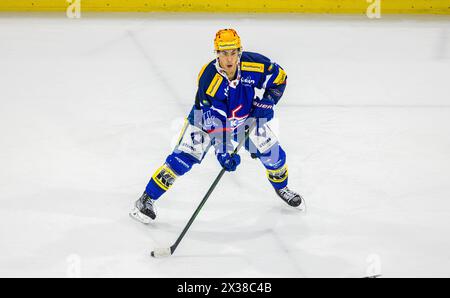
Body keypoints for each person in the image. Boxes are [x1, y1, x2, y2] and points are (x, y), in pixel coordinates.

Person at [130, 28, 304, 224]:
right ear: (216, 53)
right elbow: (213, 118)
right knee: (182, 161)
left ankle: (282, 188)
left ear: (239, 51)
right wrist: (223, 150)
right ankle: (146, 199)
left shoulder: (255, 64)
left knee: (274, 156)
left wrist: (268, 101)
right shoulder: (209, 77)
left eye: (233, 52)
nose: (229, 59)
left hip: (245, 118)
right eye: (223, 53)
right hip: (205, 121)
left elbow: (279, 78)